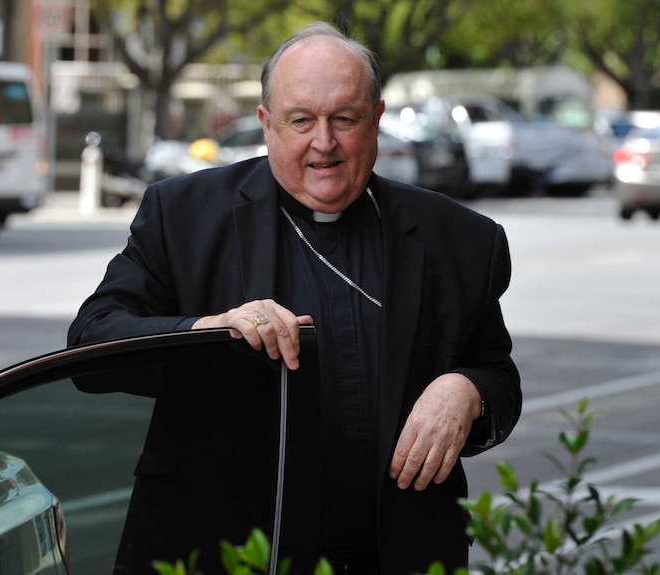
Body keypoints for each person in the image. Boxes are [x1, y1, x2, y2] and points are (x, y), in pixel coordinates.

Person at [68, 21, 521, 575]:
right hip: (219, 554)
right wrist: (208, 331)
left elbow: (498, 374)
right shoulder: (184, 216)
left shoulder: (461, 240)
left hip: (395, 556)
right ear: (266, 125)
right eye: (301, 120)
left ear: (377, 121)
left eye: (344, 120)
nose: (323, 143)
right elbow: (91, 340)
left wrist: (466, 389)